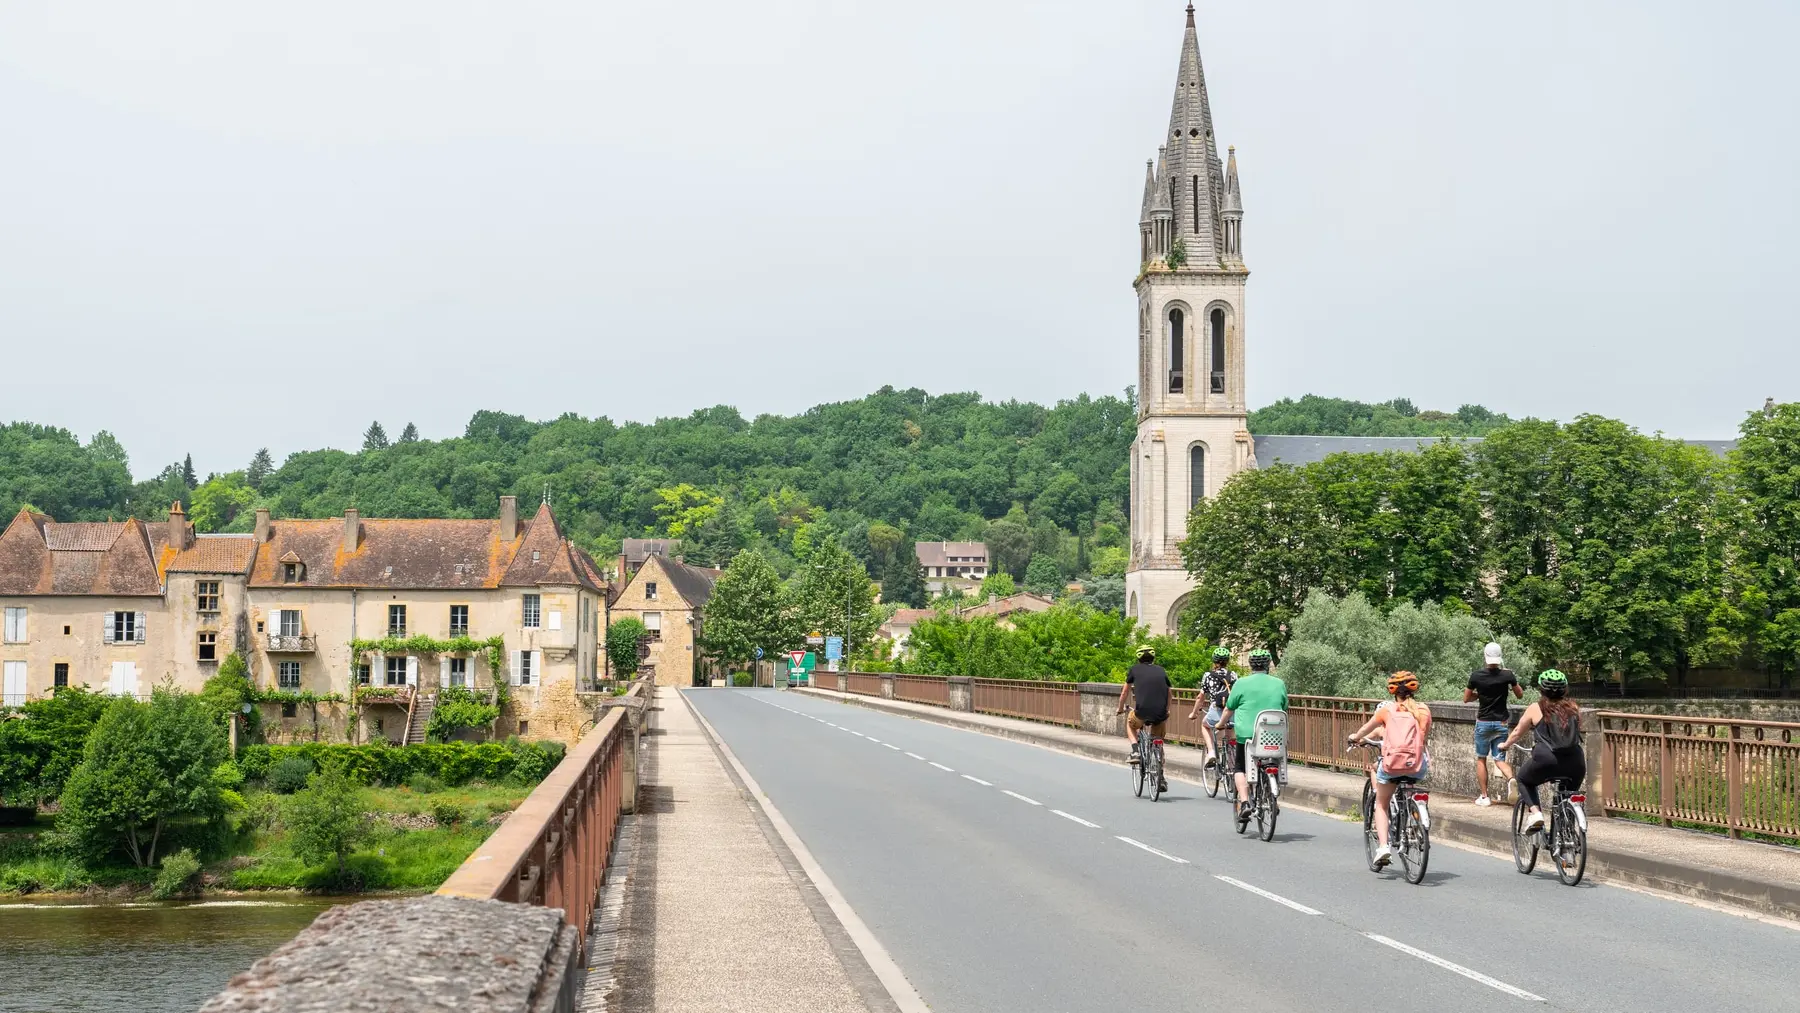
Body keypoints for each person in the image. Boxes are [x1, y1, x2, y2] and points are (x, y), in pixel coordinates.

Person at [1346, 671, 1434, 870]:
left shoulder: (1387, 711)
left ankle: (1384, 847)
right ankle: (1416, 823)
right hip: (1417, 767)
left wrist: (1354, 737)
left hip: (1392, 765)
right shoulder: (1424, 710)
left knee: (1381, 804)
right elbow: (1423, 738)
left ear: (1393, 692)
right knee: (1410, 788)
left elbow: (1365, 730)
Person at [1500, 670, 1586, 833]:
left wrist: (1505, 745)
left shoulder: (1535, 708)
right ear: (1564, 689)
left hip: (1547, 759)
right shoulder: (1574, 707)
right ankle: (1567, 838)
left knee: (1524, 780)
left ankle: (1536, 814)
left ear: (1541, 689)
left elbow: (1518, 731)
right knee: (1568, 796)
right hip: (1575, 761)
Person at [1216, 649, 1288, 826]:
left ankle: (1245, 802)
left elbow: (1229, 708)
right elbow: (1284, 707)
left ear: (1251, 665)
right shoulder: (1279, 684)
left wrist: (1220, 724)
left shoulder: (1241, 683)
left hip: (1247, 736)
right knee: (1273, 762)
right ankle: (1273, 798)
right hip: (1274, 735)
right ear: (1268, 665)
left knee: (1240, 767)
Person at [1465, 642, 1524, 807]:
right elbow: (1519, 695)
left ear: (1485, 656)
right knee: (1499, 759)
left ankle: (1484, 796)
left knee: (1482, 758)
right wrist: (1510, 679)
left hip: (1483, 723)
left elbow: (1466, 698)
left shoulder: (1476, 676)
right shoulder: (1507, 674)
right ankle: (1511, 779)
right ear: (1499, 658)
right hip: (1501, 723)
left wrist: (1479, 695)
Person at [1117, 646, 1171, 792]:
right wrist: (1167, 710)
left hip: (1141, 713)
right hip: (1160, 714)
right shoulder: (1161, 670)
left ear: (1138, 658)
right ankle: (1161, 777)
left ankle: (1135, 751)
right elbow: (1169, 692)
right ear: (1153, 658)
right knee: (1158, 743)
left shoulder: (1134, 670)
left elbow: (1125, 692)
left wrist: (1120, 708)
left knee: (1130, 723)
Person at [1187, 647, 1237, 769]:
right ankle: (1233, 765)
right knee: (1231, 735)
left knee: (1205, 725)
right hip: (1231, 712)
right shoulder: (1233, 675)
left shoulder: (1208, 675)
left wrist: (1194, 713)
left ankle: (1211, 753)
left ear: (1214, 661)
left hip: (1216, 710)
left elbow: (1201, 697)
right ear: (1227, 661)